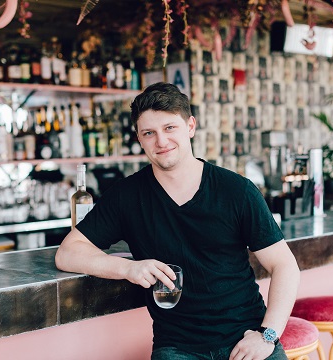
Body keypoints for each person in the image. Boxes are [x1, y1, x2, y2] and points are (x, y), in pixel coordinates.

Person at [55, 82, 300, 360]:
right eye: (149, 133)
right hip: (177, 347)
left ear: (190, 126)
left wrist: (267, 335)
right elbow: (68, 253)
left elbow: (284, 265)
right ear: (139, 138)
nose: (161, 141)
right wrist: (128, 268)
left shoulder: (237, 191)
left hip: (246, 336)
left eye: (170, 128)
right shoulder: (127, 196)